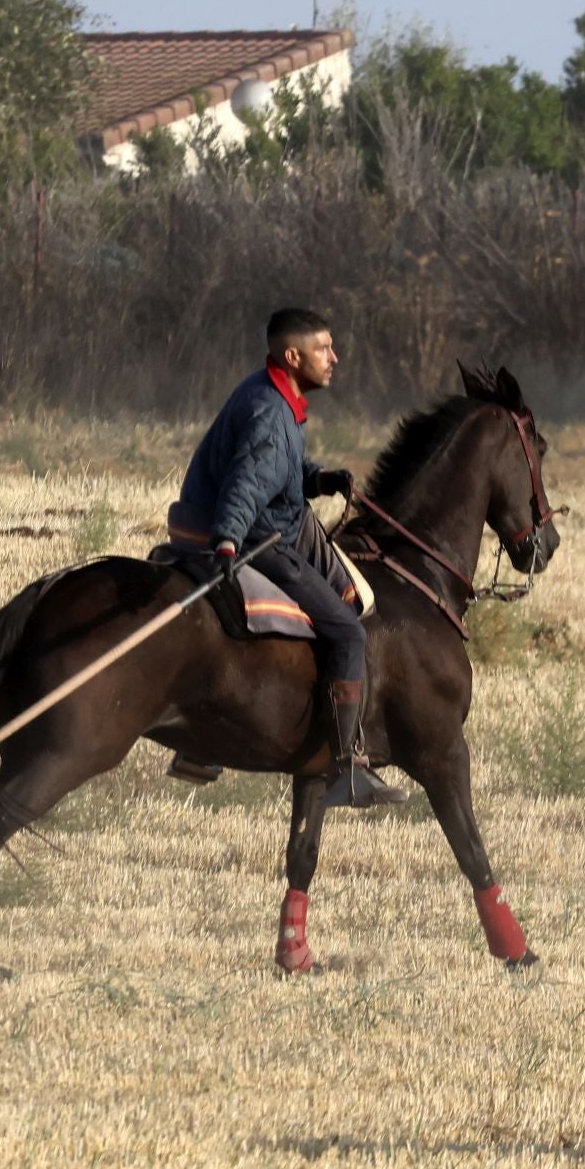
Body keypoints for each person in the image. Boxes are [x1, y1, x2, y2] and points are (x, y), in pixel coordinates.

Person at [174, 308, 405, 808]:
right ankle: (345, 767)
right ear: (293, 355)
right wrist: (229, 542)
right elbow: (248, 483)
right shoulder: (273, 414)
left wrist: (318, 478)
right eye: (324, 348)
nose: (334, 357)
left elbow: (279, 468)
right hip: (260, 538)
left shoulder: (270, 391)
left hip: (256, 522)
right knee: (348, 631)